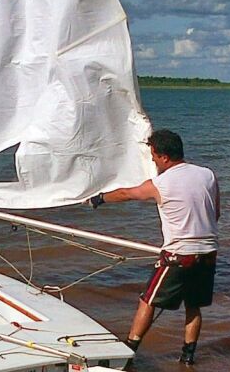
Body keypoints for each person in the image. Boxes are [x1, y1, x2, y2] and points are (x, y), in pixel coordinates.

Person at [87, 129, 220, 366]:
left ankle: (129, 352)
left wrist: (99, 199)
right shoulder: (208, 175)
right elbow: (215, 213)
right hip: (208, 253)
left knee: (147, 300)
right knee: (193, 306)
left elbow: (127, 193)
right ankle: (188, 357)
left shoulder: (161, 183)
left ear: (165, 157)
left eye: (154, 156)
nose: (153, 161)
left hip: (179, 256)